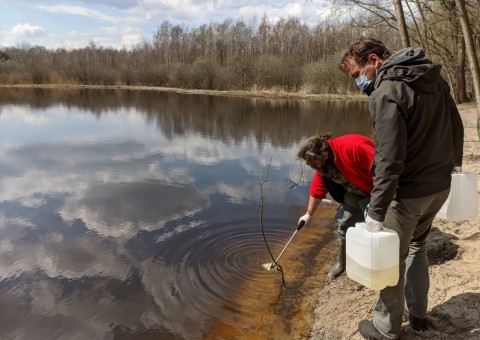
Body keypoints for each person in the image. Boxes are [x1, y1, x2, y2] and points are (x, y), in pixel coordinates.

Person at [339, 37, 464, 339]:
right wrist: (454, 167)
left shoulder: (386, 92)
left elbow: (389, 157)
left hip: (407, 194)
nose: (358, 81)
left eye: (357, 74)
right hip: (439, 187)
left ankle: (385, 328)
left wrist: (377, 209)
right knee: (417, 247)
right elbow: (457, 127)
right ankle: (418, 316)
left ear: (373, 60)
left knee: (391, 258)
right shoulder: (434, 79)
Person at [297, 133, 374, 282]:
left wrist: (377, 204)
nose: (311, 166)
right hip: (356, 191)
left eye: (312, 162)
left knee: (373, 228)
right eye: (308, 163)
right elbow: (318, 189)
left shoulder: (354, 147)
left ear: (324, 154)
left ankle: (368, 270)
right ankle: (343, 263)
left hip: (380, 189)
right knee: (345, 223)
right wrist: (308, 215)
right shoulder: (323, 163)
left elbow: (384, 172)